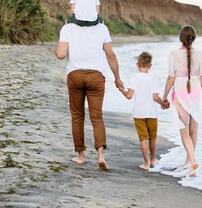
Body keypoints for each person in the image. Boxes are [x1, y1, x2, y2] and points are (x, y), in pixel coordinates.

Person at [55, 21, 123, 170]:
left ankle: (80, 156)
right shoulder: (103, 28)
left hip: (75, 75)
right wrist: (117, 78)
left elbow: (60, 54)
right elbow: (111, 56)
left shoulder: (67, 28)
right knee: (97, 116)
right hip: (96, 76)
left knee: (77, 116)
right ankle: (100, 156)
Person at [161, 25, 202, 177]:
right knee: (193, 129)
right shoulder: (201, 55)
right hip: (196, 93)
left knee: (183, 128)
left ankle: (192, 160)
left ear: (181, 38)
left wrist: (164, 96)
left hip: (181, 92)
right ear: (194, 38)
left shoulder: (173, 54)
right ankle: (189, 161)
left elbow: (171, 77)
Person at [118, 51, 168, 171]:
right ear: (150, 66)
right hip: (152, 113)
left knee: (143, 138)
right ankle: (153, 159)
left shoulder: (133, 77)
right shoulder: (153, 78)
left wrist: (121, 90)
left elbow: (129, 96)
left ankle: (145, 163)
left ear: (137, 64)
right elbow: (155, 97)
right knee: (153, 137)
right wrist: (163, 104)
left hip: (138, 113)